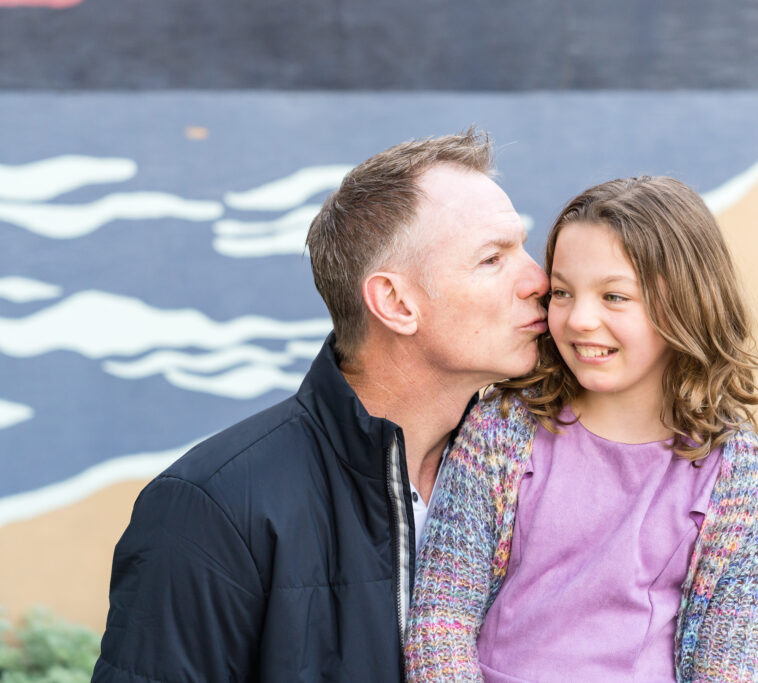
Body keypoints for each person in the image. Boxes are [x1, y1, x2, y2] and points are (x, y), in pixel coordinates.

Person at [92, 130, 549, 682]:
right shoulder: (213, 508)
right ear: (396, 303)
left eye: (524, 247)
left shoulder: (535, 475)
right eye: (493, 258)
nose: (539, 281)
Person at [405, 176, 758, 682]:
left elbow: (734, 660)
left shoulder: (734, 471)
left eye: (614, 297)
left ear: (688, 304)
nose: (579, 319)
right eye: (562, 292)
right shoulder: (501, 431)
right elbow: (440, 619)